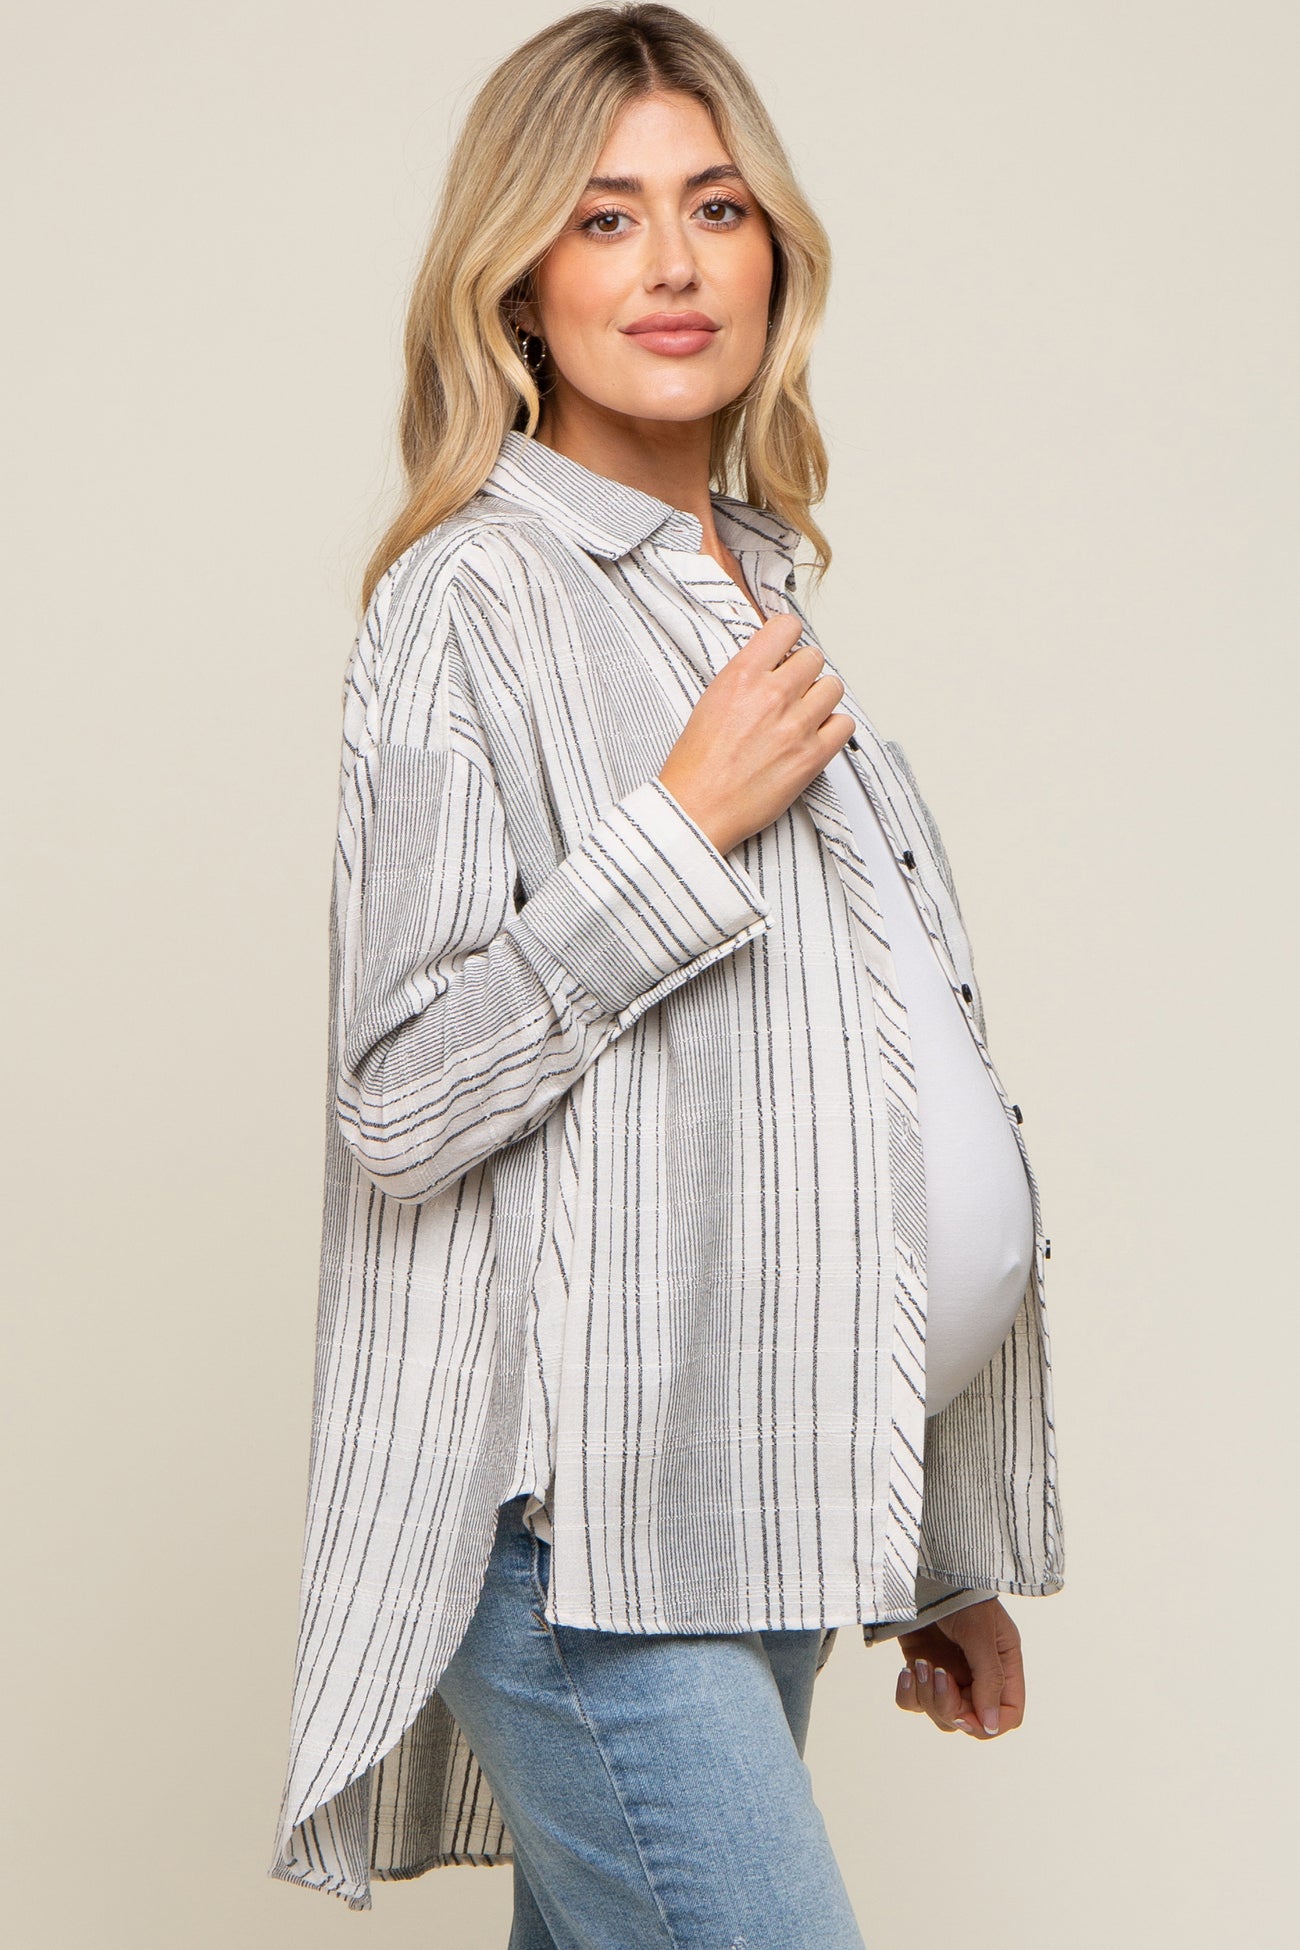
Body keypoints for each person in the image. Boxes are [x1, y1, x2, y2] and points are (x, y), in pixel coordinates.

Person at [267, 5, 1065, 1941]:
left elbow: (842, 1092)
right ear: (518, 285)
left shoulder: (747, 586)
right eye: (604, 218)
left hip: (749, 1503)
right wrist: (678, 827)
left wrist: (929, 1534)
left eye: (713, 206)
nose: (674, 263)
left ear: (773, 248)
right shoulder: (473, 595)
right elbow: (398, 1096)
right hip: (583, 1538)